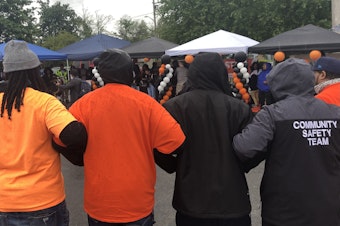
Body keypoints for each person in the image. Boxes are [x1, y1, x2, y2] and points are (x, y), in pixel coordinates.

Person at [59, 49, 185, 225]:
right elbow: (176, 142)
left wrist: (80, 158)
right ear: (130, 73)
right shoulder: (147, 104)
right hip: (137, 202)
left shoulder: (83, 105)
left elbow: (59, 139)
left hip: (100, 202)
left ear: (101, 73)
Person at [233, 58, 340, 226]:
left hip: (284, 210)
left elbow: (245, 148)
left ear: (277, 84)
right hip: (329, 206)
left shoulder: (272, 114)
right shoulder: (335, 112)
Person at [155, 52, 253, 226]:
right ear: (221, 74)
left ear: (192, 74)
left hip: (191, 200)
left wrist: (177, 166)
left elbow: (158, 147)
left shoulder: (174, 107)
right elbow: (252, 151)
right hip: (232, 200)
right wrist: (239, 165)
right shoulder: (239, 108)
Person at [0, 40, 87, 226]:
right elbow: (74, 135)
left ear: (6, 72)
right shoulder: (45, 102)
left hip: (3, 202)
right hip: (43, 202)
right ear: (35, 71)